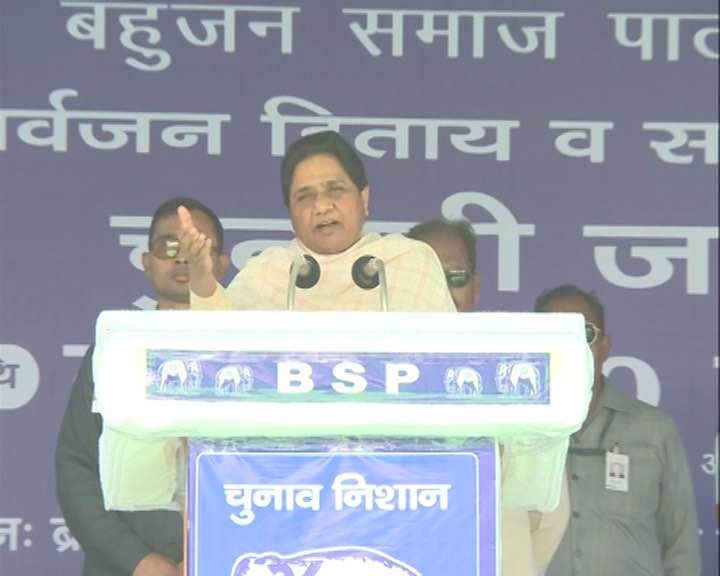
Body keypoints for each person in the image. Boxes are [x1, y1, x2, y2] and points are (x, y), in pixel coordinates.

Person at [55, 197, 230, 576]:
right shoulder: (114, 350)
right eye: (170, 246)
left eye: (196, 245)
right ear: (147, 262)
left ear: (221, 263)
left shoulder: (246, 356)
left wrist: (216, 551)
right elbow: (76, 469)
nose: (183, 257)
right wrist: (140, 562)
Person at [407, 218, 570, 576]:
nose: (443, 292)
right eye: (427, 278)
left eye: (456, 278)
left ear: (475, 287)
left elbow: (550, 515)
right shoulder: (368, 376)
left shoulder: (511, 372)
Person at [179, 130, 455, 312]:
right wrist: (202, 277)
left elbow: (443, 358)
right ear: (290, 215)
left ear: (364, 199)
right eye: (304, 197)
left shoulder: (408, 262)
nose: (321, 206)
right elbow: (224, 348)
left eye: (335, 190)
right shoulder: (270, 271)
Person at [535, 284, 701, 576]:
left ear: (605, 346)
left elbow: (681, 546)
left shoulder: (653, 429)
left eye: (584, 334)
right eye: (555, 333)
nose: (570, 345)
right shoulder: (517, 435)